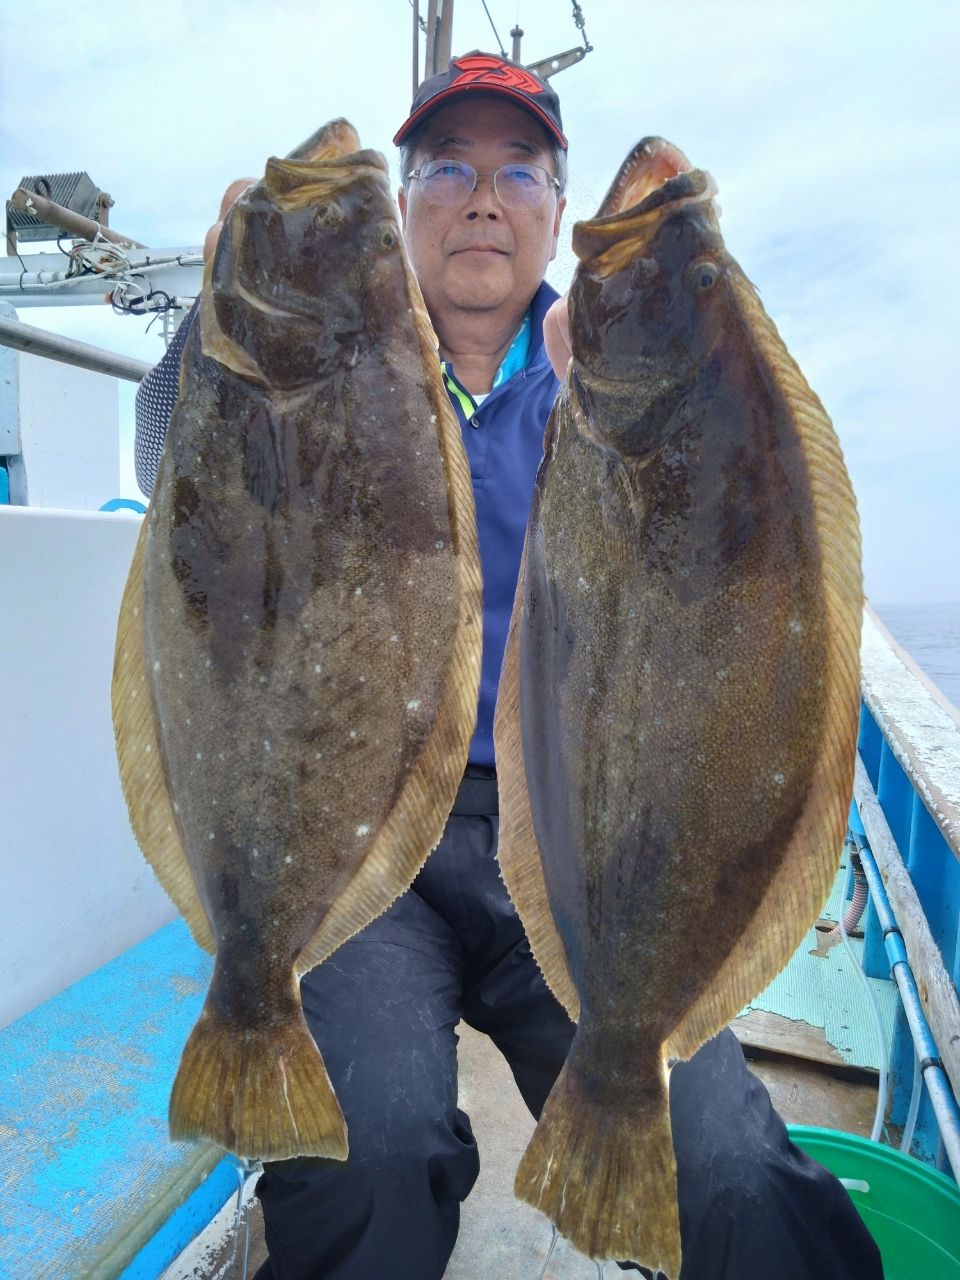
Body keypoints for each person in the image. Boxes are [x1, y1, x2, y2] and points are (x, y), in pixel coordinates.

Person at [134, 52, 884, 1280]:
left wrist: (710, 312)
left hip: (589, 835)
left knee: (736, 1176)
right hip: (374, 834)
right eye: (449, 168)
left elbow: (753, 547)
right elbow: (178, 463)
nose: (484, 196)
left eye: (520, 170)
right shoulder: (346, 367)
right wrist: (208, 328)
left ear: (554, 211)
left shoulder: (600, 390)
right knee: (370, 1152)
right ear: (406, 208)